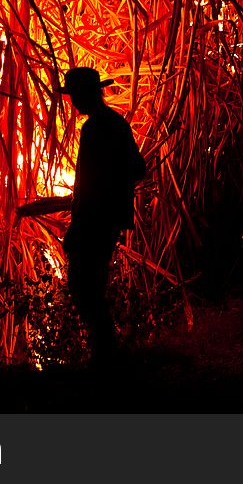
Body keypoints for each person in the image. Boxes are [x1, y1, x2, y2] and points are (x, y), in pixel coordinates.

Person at [55, 67, 146, 364]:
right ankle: (106, 355)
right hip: (109, 220)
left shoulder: (94, 129)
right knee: (92, 286)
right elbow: (137, 168)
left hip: (94, 221)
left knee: (83, 288)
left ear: (86, 95)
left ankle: (106, 356)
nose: (73, 102)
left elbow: (88, 186)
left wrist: (77, 226)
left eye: (75, 95)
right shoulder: (116, 123)